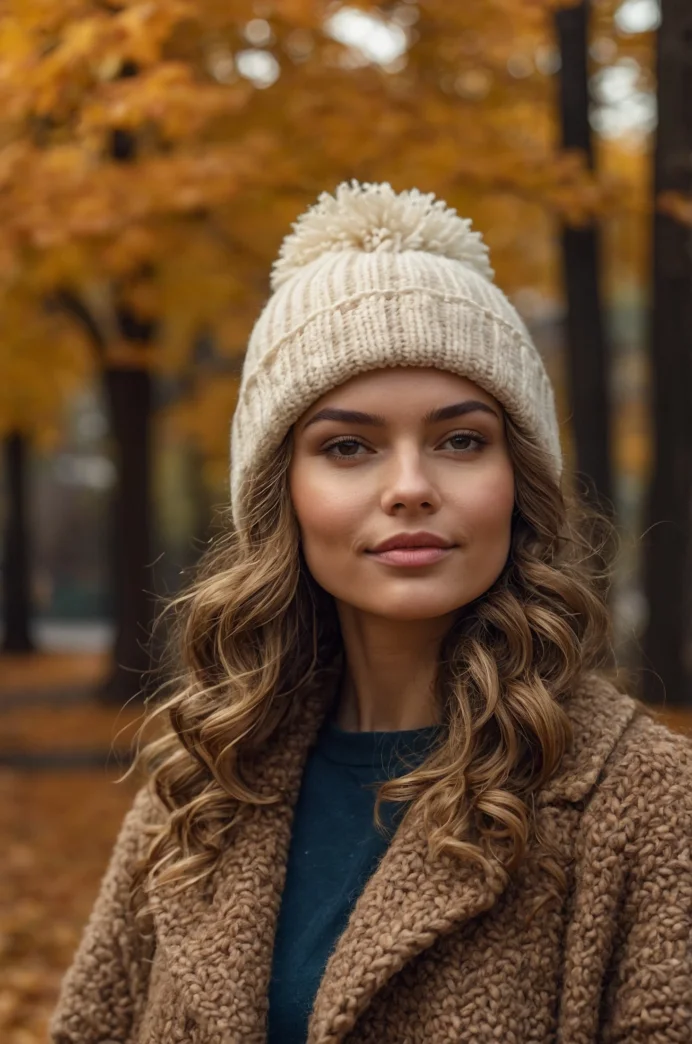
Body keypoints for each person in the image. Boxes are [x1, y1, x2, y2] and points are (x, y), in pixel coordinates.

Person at [50, 182, 692, 1044]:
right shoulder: (199, 789)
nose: (411, 489)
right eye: (347, 446)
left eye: (460, 439)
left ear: (519, 481)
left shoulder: (649, 803)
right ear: (285, 495)